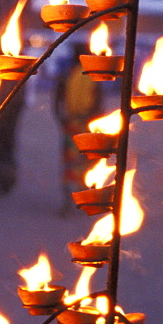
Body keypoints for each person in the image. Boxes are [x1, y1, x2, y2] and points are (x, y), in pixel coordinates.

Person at [54, 43, 103, 213]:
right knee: (85, 162)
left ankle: (74, 201)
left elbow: (57, 101)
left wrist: (61, 118)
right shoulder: (90, 75)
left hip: (74, 124)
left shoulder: (69, 74)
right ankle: (81, 200)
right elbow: (99, 103)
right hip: (83, 124)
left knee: (73, 163)